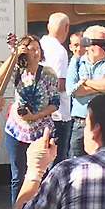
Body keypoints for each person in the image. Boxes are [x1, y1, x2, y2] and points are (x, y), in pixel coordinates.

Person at [2, 35, 60, 208]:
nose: (36, 53)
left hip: (40, 130)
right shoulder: (18, 71)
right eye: (31, 50)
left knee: (41, 174)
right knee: (17, 175)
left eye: (37, 49)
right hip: (16, 129)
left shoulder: (49, 74)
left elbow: (55, 103)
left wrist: (36, 116)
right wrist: (14, 56)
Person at [68, 26, 105, 157]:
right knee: (77, 163)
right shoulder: (76, 62)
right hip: (80, 124)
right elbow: (72, 90)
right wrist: (101, 85)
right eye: (102, 42)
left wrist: (85, 81)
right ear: (89, 45)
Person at [40, 12, 72, 163]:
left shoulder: (38, 46)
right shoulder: (59, 51)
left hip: (38, 113)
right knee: (57, 161)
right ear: (66, 28)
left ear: (48, 26)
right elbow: (60, 84)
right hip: (58, 114)